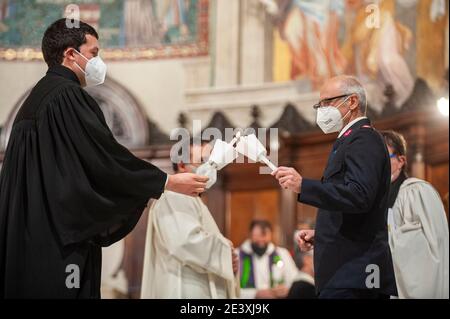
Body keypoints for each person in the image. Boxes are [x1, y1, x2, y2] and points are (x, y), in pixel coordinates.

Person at [0, 19, 207, 298]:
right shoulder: (68, 96)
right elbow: (103, 158)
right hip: (60, 246)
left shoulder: (36, 101)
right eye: (94, 53)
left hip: (25, 244)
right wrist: (165, 182)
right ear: (71, 54)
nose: (99, 61)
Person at [273, 75, 397, 299]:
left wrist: (304, 186)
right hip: (345, 272)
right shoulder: (349, 140)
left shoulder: (364, 139)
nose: (321, 110)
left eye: (327, 103)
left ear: (352, 102)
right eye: (319, 105)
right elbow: (350, 206)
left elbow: (359, 196)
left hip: (356, 274)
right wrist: (323, 234)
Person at [141, 141, 239, 299]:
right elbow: (184, 242)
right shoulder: (174, 196)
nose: (210, 166)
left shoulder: (191, 199)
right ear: (181, 164)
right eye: (202, 160)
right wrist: (225, 251)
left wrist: (229, 259)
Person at [382, 130, 449, 299]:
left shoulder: (416, 192)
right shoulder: (377, 199)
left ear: (401, 161)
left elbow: (430, 248)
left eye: (383, 157)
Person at [238, 220, 299, 299]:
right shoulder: (238, 255)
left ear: (271, 235)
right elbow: (231, 288)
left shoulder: (282, 254)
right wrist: (255, 294)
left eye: (264, 235)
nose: (261, 240)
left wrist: (286, 290)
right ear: (250, 235)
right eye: (257, 235)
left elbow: (294, 281)